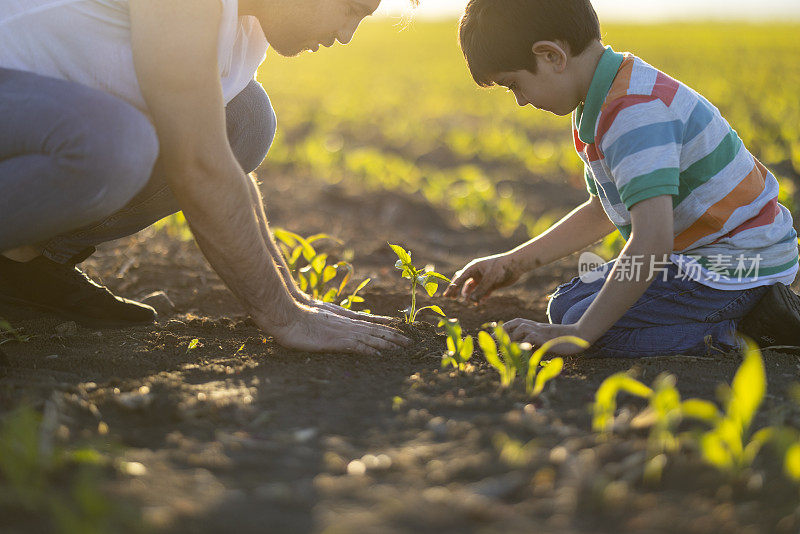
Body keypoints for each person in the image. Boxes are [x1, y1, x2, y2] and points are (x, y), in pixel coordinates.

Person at [0, 0, 416, 356]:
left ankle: (22, 267)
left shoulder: (243, 29)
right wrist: (283, 317)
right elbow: (198, 165)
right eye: (350, 9)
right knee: (116, 144)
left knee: (245, 117)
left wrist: (295, 298)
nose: (346, 35)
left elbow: (216, 153)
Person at [445, 0, 800, 357]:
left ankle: (746, 333)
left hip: (737, 265)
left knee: (592, 332)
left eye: (514, 85)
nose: (520, 100)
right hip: (701, 256)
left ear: (551, 56)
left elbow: (652, 240)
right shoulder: (602, 96)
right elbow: (603, 209)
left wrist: (581, 333)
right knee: (565, 306)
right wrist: (512, 263)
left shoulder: (635, 112)